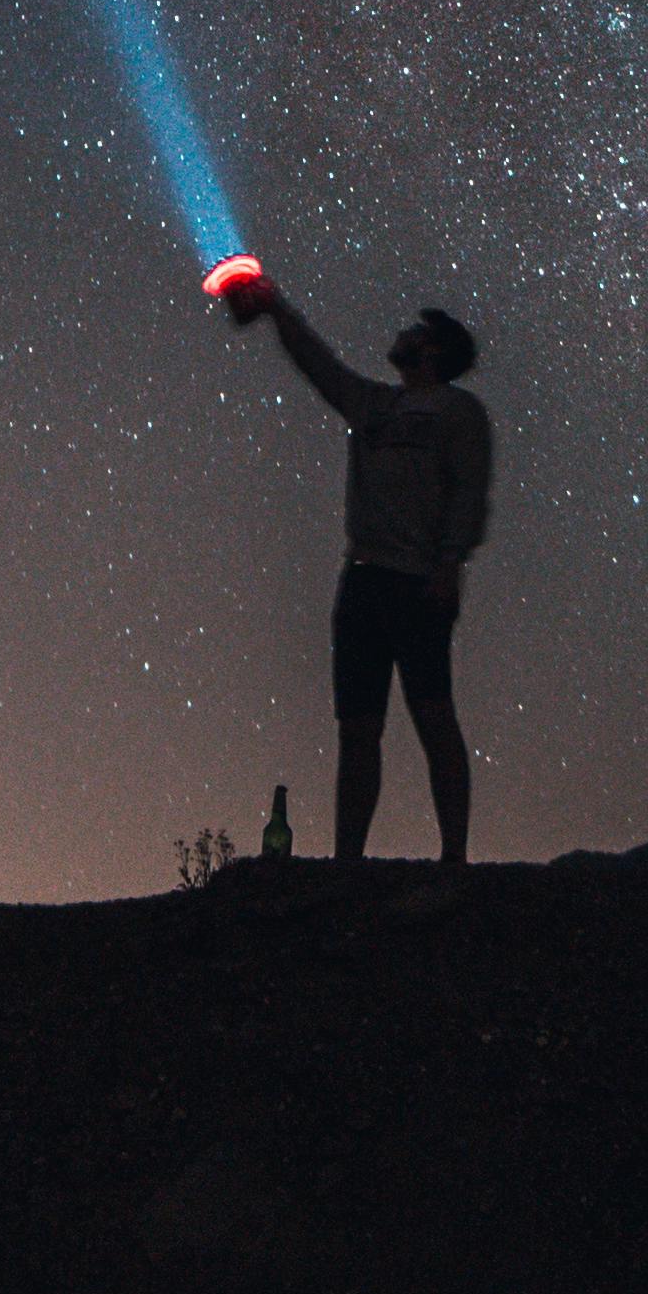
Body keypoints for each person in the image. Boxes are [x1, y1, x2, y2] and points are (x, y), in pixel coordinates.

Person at [241, 286, 494, 862]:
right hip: (363, 580)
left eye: (416, 332)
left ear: (432, 351)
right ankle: (346, 863)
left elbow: (468, 490)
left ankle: (454, 858)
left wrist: (450, 563)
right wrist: (279, 309)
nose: (402, 334)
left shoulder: (459, 412)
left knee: (433, 716)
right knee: (357, 728)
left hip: (418, 580)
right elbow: (319, 366)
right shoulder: (375, 406)